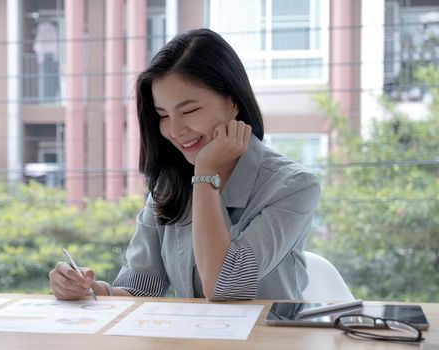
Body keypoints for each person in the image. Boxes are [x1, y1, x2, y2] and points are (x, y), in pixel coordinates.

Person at [49, 28, 320, 301]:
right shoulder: (171, 184)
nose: (175, 130)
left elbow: (224, 287)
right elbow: (139, 289)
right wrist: (86, 288)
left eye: (189, 111)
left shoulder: (293, 186)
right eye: (163, 115)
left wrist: (205, 175)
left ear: (233, 101)